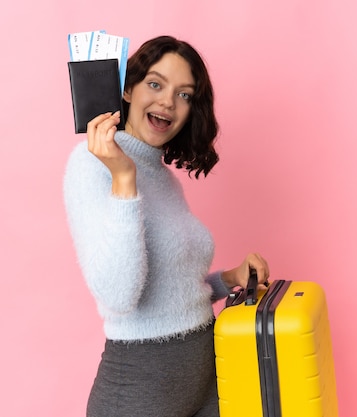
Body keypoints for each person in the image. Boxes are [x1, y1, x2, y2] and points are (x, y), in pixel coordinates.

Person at [63, 35, 270, 417]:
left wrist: (229, 279)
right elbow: (120, 296)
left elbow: (173, 289)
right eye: (155, 84)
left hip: (206, 382)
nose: (168, 102)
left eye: (184, 94)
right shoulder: (91, 166)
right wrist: (124, 179)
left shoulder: (164, 178)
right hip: (139, 395)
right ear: (127, 90)